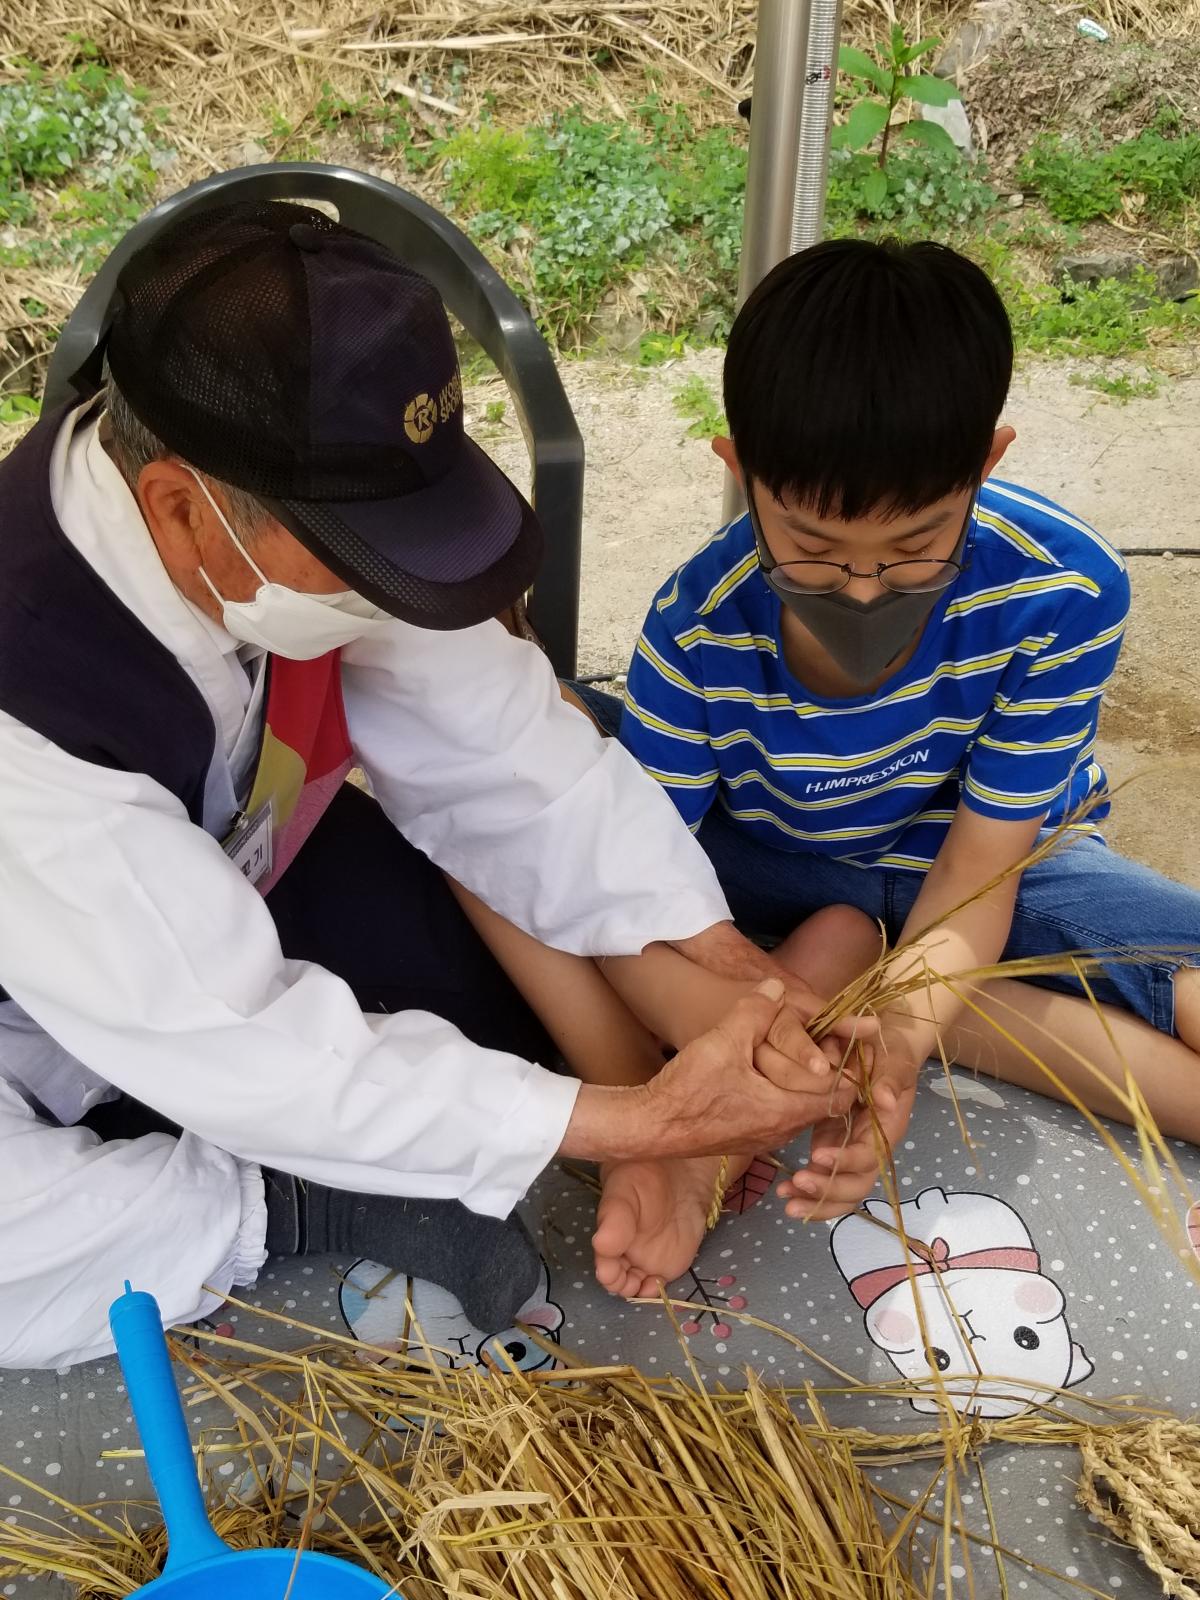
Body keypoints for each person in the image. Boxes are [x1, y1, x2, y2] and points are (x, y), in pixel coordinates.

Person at [0, 201, 867, 1369]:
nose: (389, 590)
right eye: (363, 561)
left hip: (223, 875)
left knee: (493, 1039)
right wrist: (642, 1121)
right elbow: (230, 1033)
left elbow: (511, 761)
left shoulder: (278, 511)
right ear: (177, 507)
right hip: (44, 987)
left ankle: (303, 1150)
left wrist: (735, 981)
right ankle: (288, 1204)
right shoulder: (28, 699)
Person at [612, 238, 1200, 1225]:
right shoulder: (695, 625)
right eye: (812, 546)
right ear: (740, 470)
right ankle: (914, 985)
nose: (864, 588)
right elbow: (640, 885)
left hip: (997, 859)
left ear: (987, 462)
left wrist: (902, 1033)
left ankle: (910, 987)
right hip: (772, 859)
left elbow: (984, 861)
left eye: (919, 545)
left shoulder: (1062, 589)